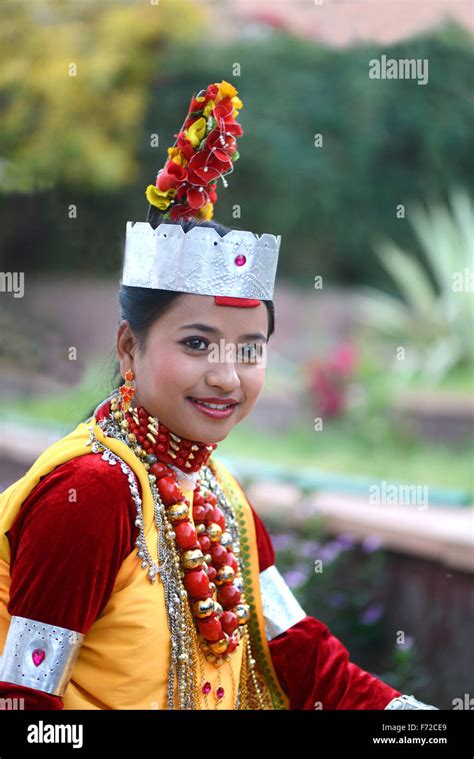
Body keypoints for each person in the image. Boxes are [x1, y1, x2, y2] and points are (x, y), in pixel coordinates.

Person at [0, 80, 437, 710]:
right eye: (199, 344)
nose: (227, 376)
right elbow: (22, 702)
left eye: (250, 349)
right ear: (128, 348)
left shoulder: (221, 497)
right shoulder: (90, 497)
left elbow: (299, 655)